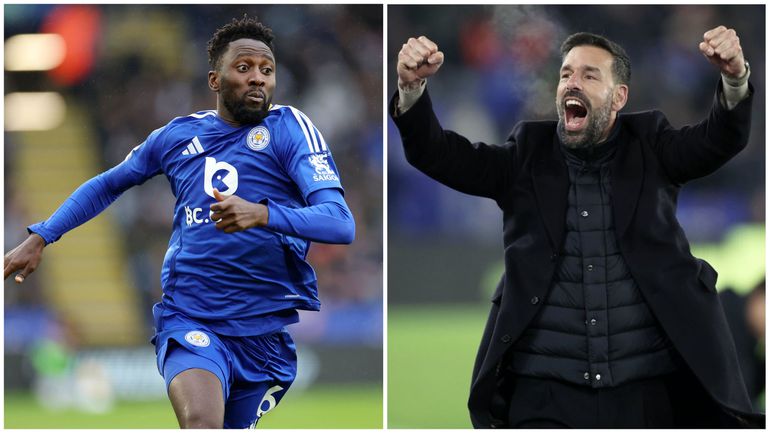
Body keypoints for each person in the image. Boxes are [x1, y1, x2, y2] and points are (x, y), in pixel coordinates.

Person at [391, 26, 763, 427]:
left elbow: (719, 140)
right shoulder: (526, 154)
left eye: (589, 75)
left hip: (646, 392)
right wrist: (412, 90)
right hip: (545, 396)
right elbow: (439, 154)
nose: (572, 82)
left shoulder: (651, 145)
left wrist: (734, 78)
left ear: (619, 97)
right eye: (566, 73)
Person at [4, 15, 355, 428]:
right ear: (214, 80)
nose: (258, 78)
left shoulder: (291, 130)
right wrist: (42, 235)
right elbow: (107, 184)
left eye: (266, 70)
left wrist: (261, 214)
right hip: (190, 317)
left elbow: (339, 223)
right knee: (202, 422)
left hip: (262, 334)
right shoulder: (176, 138)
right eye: (244, 68)